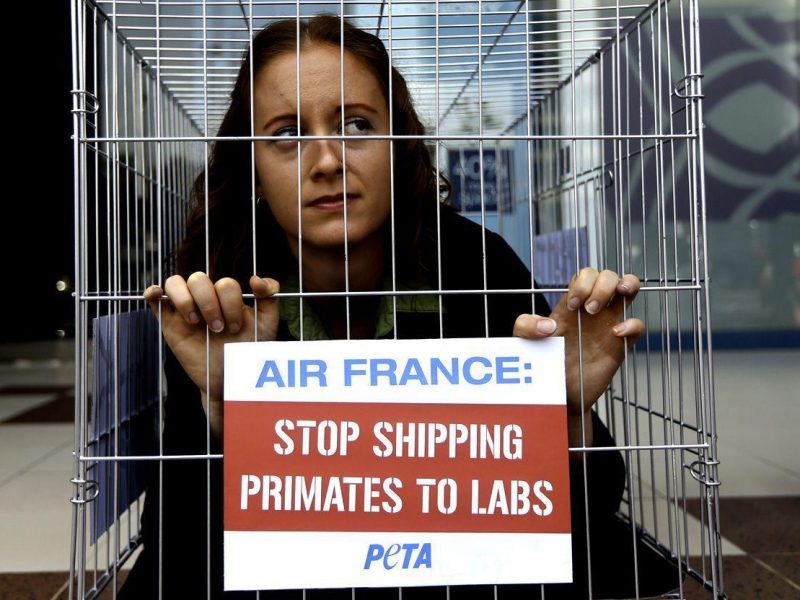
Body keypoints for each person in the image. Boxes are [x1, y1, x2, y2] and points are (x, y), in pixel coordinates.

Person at [120, 15, 677, 600]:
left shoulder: (478, 263)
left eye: (356, 124)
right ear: (253, 171)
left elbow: (582, 522)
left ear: (399, 145)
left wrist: (562, 415)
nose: (328, 160)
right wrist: (223, 413)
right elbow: (176, 548)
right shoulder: (214, 292)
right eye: (286, 134)